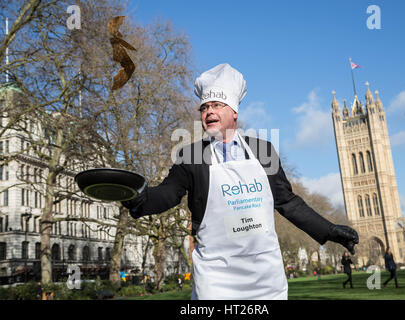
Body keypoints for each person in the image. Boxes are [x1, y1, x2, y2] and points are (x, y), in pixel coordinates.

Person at [122, 63, 359, 300]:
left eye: (216, 104)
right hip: (216, 279)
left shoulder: (263, 150)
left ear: (234, 111)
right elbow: (167, 194)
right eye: (204, 107)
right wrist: (138, 198)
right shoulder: (191, 156)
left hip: (265, 278)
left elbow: (288, 202)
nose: (208, 112)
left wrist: (329, 231)